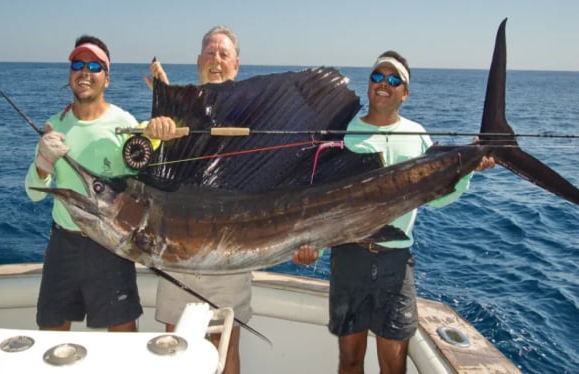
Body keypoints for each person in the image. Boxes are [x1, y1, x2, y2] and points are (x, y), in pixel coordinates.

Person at [293, 51, 495, 374]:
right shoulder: (341, 133)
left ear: (405, 92)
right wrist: (311, 245)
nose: (383, 84)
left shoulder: (418, 135)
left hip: (395, 261)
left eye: (393, 79)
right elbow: (319, 201)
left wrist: (469, 170)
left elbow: (436, 197)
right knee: (350, 359)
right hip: (349, 257)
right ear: (369, 83)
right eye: (377, 77)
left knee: (394, 363)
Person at [25, 35, 175, 332]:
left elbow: (151, 154)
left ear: (107, 78)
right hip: (63, 245)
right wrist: (42, 163)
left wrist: (163, 119)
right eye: (78, 64)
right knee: (50, 335)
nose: (85, 71)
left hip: (111, 244)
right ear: (70, 74)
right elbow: (33, 193)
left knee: (122, 337)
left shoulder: (124, 121)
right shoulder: (55, 124)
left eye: (94, 65)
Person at [142, 26, 247, 374]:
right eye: (209, 52)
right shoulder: (176, 114)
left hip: (230, 254)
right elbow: (147, 167)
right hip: (178, 252)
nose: (215, 59)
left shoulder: (250, 115)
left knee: (224, 348)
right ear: (198, 60)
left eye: (223, 54)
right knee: (176, 349)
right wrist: (157, 127)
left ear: (236, 64)